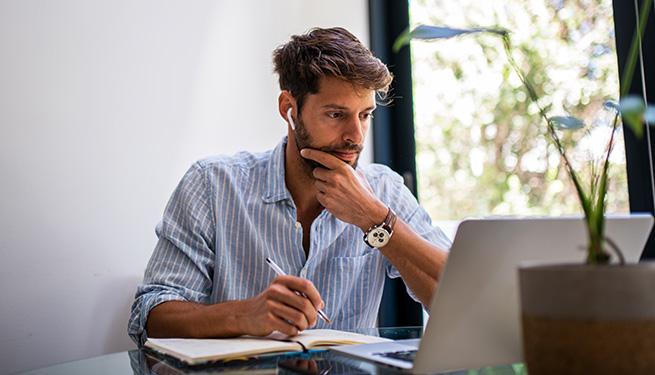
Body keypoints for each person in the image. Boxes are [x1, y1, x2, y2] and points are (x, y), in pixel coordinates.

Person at [128, 27, 450, 345]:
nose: (356, 136)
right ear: (289, 109)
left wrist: (376, 220)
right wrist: (244, 315)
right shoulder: (212, 185)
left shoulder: (383, 191)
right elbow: (151, 315)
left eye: (365, 115)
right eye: (336, 114)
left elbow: (460, 297)